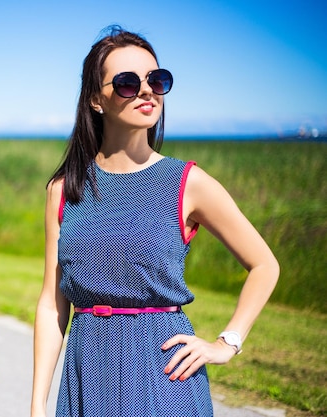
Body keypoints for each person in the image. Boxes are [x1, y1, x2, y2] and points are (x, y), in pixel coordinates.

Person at [30, 26, 279, 417]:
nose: (147, 90)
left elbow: (265, 265)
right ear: (96, 99)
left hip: (164, 380)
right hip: (86, 376)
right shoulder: (63, 190)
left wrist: (226, 343)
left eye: (157, 80)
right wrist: (37, 405)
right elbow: (52, 304)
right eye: (128, 82)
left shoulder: (188, 183)